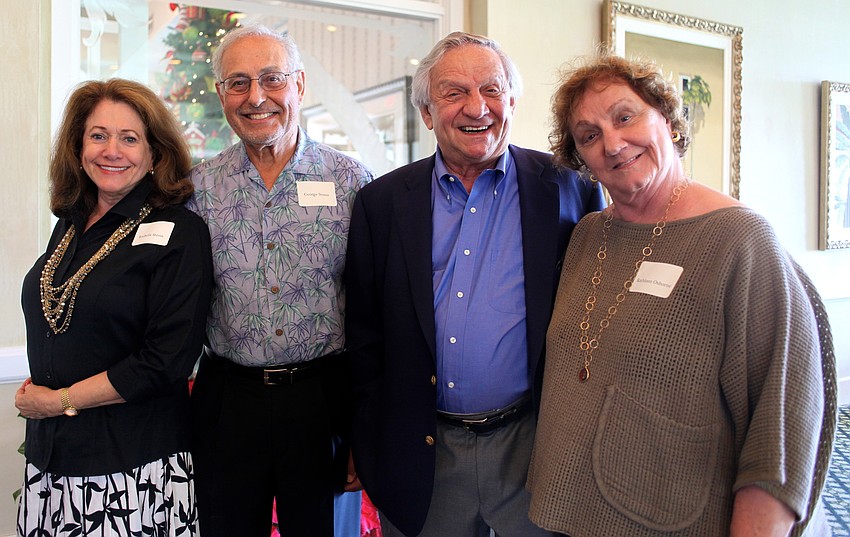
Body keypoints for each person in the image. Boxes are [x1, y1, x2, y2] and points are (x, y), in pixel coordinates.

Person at [526, 54, 830, 536]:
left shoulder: (739, 239)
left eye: (625, 117)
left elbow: (781, 431)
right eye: (588, 135)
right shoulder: (587, 235)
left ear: (665, 118)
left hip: (669, 522)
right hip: (562, 515)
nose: (612, 142)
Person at [344, 32, 605, 537]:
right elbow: (364, 337)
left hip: (533, 448)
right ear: (426, 112)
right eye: (453, 93)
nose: (476, 107)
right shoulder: (382, 203)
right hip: (424, 455)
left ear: (512, 99)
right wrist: (367, 441)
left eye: (492, 89)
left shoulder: (569, 188)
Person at [185, 24, 372, 537]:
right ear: (222, 93)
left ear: (300, 85)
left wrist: (364, 426)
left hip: (323, 401)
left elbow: (372, 308)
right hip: (228, 401)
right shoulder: (195, 189)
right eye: (238, 83)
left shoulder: (353, 182)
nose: (256, 97)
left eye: (272, 79)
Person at [14, 78, 213, 536]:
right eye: (98, 135)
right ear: (78, 147)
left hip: (132, 468)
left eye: (129, 138)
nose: (112, 151)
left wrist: (58, 400)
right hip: (52, 459)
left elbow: (166, 361)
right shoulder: (70, 223)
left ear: (154, 154)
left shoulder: (179, 232)